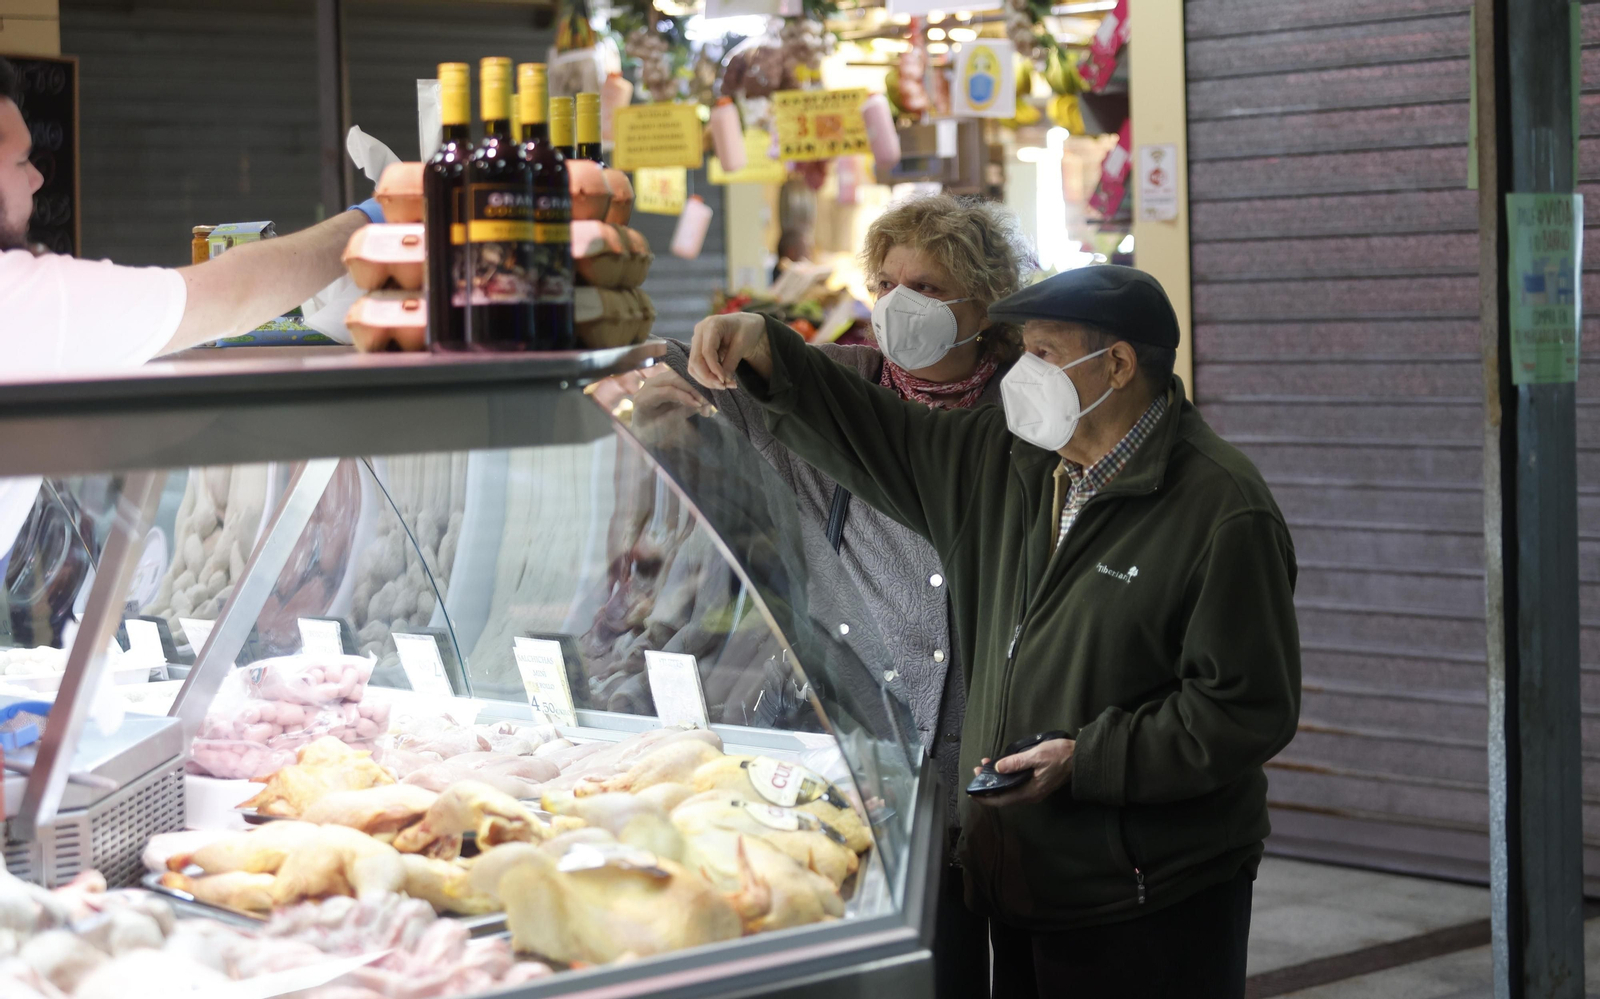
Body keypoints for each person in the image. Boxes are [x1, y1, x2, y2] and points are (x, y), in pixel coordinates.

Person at [686, 265, 1301, 999]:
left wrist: (1087, 759)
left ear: (1117, 365)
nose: (1021, 374)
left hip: (1150, 893)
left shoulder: (1221, 509)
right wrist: (769, 351)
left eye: (1043, 353)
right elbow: (880, 430)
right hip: (1023, 875)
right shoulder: (1008, 460)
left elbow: (1244, 709)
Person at [654, 193, 1033, 997]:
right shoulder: (832, 387)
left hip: (1007, 754)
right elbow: (704, 381)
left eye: (927, 288)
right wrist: (709, 349)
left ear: (984, 305)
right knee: (930, 973)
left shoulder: (1029, 411)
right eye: (887, 284)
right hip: (875, 763)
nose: (899, 304)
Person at [0, 55, 381, 378]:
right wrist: (369, 223)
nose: (37, 178)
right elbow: (234, 295)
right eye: (20, 162)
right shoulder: (22, 299)